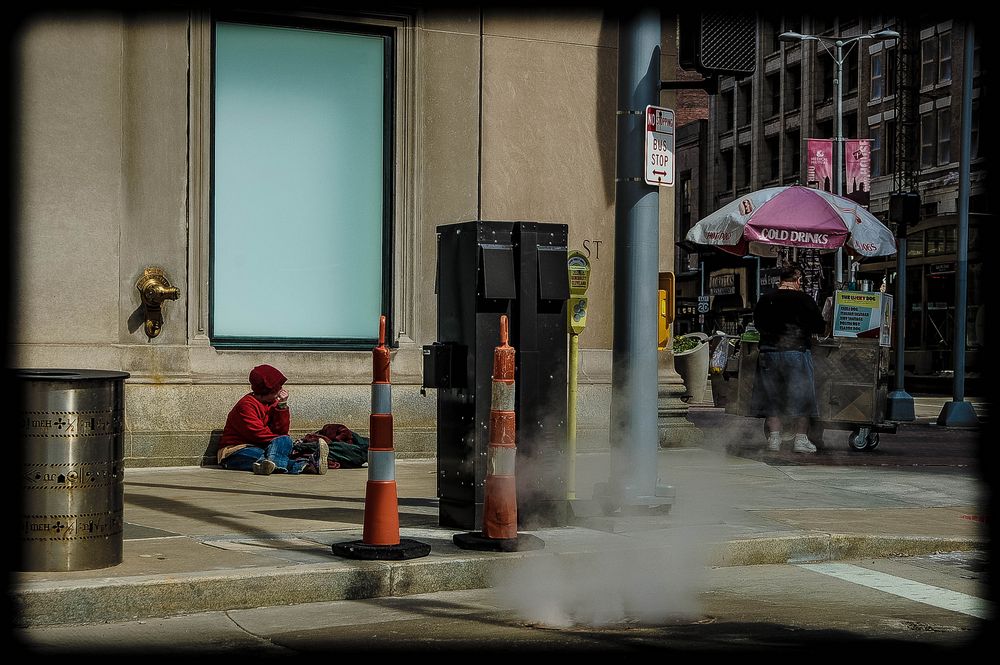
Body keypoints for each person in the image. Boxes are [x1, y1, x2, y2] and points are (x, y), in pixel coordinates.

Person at [750, 263, 827, 454]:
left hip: (768, 353)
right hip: (796, 353)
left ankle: (774, 440)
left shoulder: (765, 299)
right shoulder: (804, 300)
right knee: (802, 396)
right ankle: (800, 440)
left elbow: (758, 324)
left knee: (772, 397)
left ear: (780, 280)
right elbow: (820, 327)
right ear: (798, 280)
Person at [217, 364, 328, 475]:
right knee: (264, 454)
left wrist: (282, 406)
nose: (281, 391)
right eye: (277, 389)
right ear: (266, 392)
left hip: (265, 446)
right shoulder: (246, 405)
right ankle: (307, 465)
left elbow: (281, 431)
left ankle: (271, 465)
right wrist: (279, 443)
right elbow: (258, 434)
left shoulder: (273, 402)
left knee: (282, 442)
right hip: (236, 451)